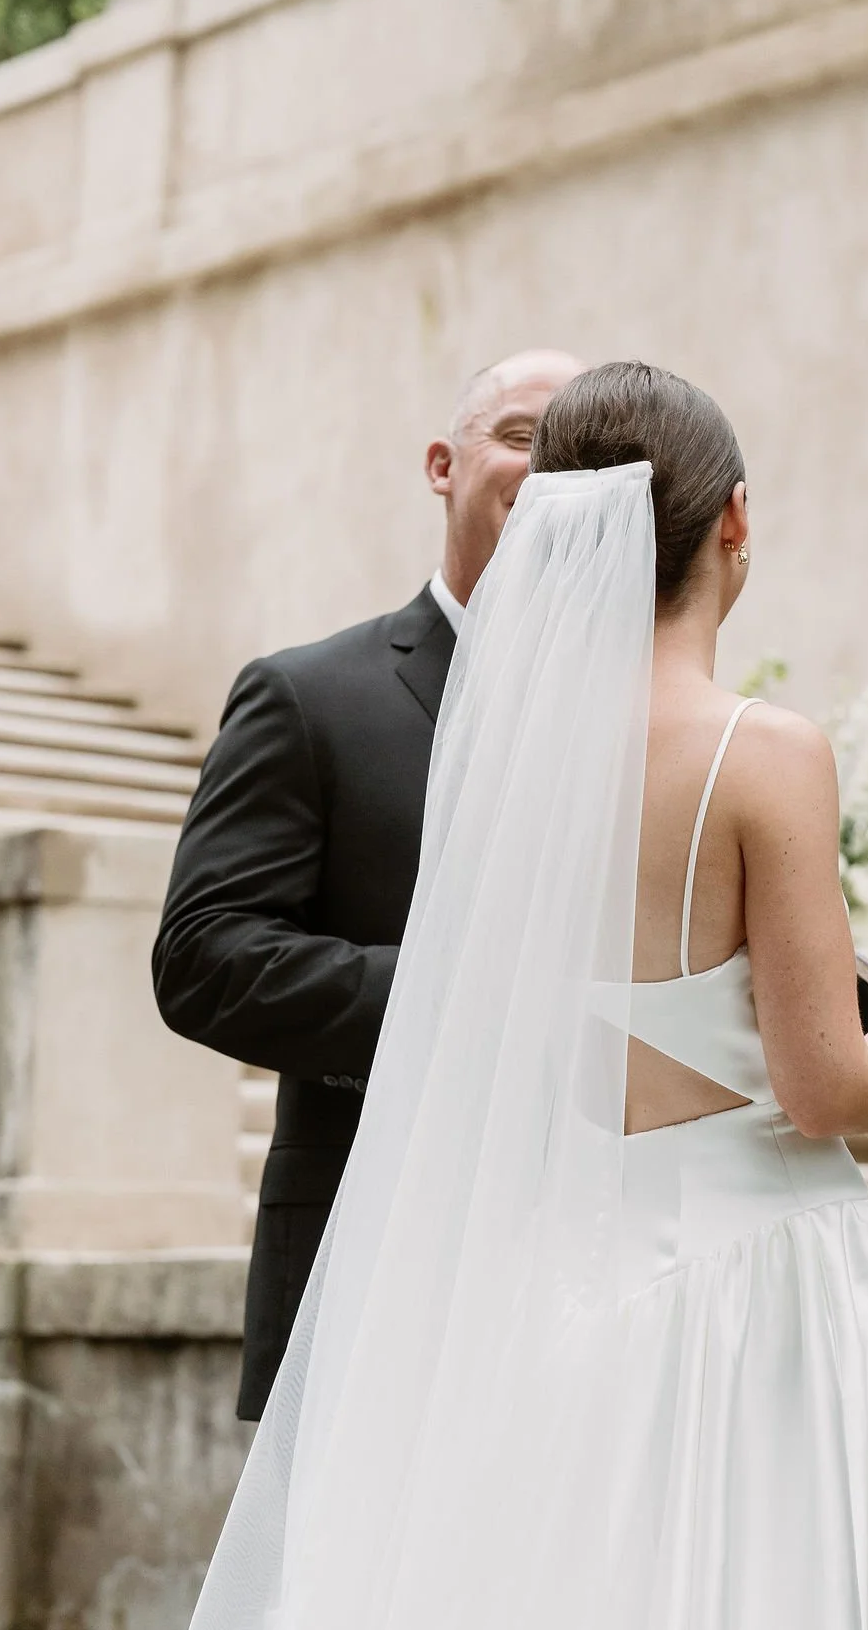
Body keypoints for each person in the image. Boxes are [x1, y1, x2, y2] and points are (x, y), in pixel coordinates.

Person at [85, 363, 868, 1630]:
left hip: (573, 1282)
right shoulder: (765, 746)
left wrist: (852, 1028)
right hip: (764, 1295)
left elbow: (626, 1047)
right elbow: (821, 1089)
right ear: (734, 524)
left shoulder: (500, 757)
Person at [152, 346, 584, 1418]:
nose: (552, 470)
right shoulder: (309, 697)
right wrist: (466, 991)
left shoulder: (643, 716)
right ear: (443, 462)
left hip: (585, 1273)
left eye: (583, 452)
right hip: (368, 1259)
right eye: (525, 435)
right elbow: (204, 957)